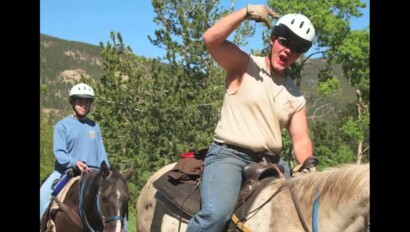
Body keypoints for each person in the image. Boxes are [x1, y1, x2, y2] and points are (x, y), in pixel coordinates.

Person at [186, 4, 315, 232]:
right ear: (273, 39)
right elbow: (211, 39)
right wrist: (246, 12)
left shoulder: (296, 95)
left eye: (295, 48)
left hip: (272, 163)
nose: (287, 51)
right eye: (284, 42)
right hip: (229, 156)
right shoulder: (245, 65)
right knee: (215, 215)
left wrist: (308, 168)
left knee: (307, 210)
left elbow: (301, 139)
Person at [40, 83, 110, 220]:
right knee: (42, 197)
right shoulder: (62, 126)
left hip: (92, 174)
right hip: (65, 173)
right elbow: (59, 152)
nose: (83, 104)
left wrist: (107, 172)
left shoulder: (95, 127)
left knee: (115, 201)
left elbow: (101, 154)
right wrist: (74, 163)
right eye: (80, 100)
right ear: (73, 102)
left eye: (87, 101)